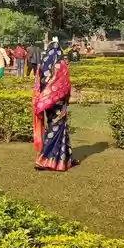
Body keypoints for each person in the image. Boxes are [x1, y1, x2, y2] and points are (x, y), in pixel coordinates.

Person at [33, 43, 78, 171]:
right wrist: (65, 102)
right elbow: (65, 85)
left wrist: (42, 99)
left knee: (58, 128)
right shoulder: (61, 64)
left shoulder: (42, 65)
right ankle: (44, 159)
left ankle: (66, 160)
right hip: (58, 103)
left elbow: (38, 85)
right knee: (56, 130)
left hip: (46, 102)